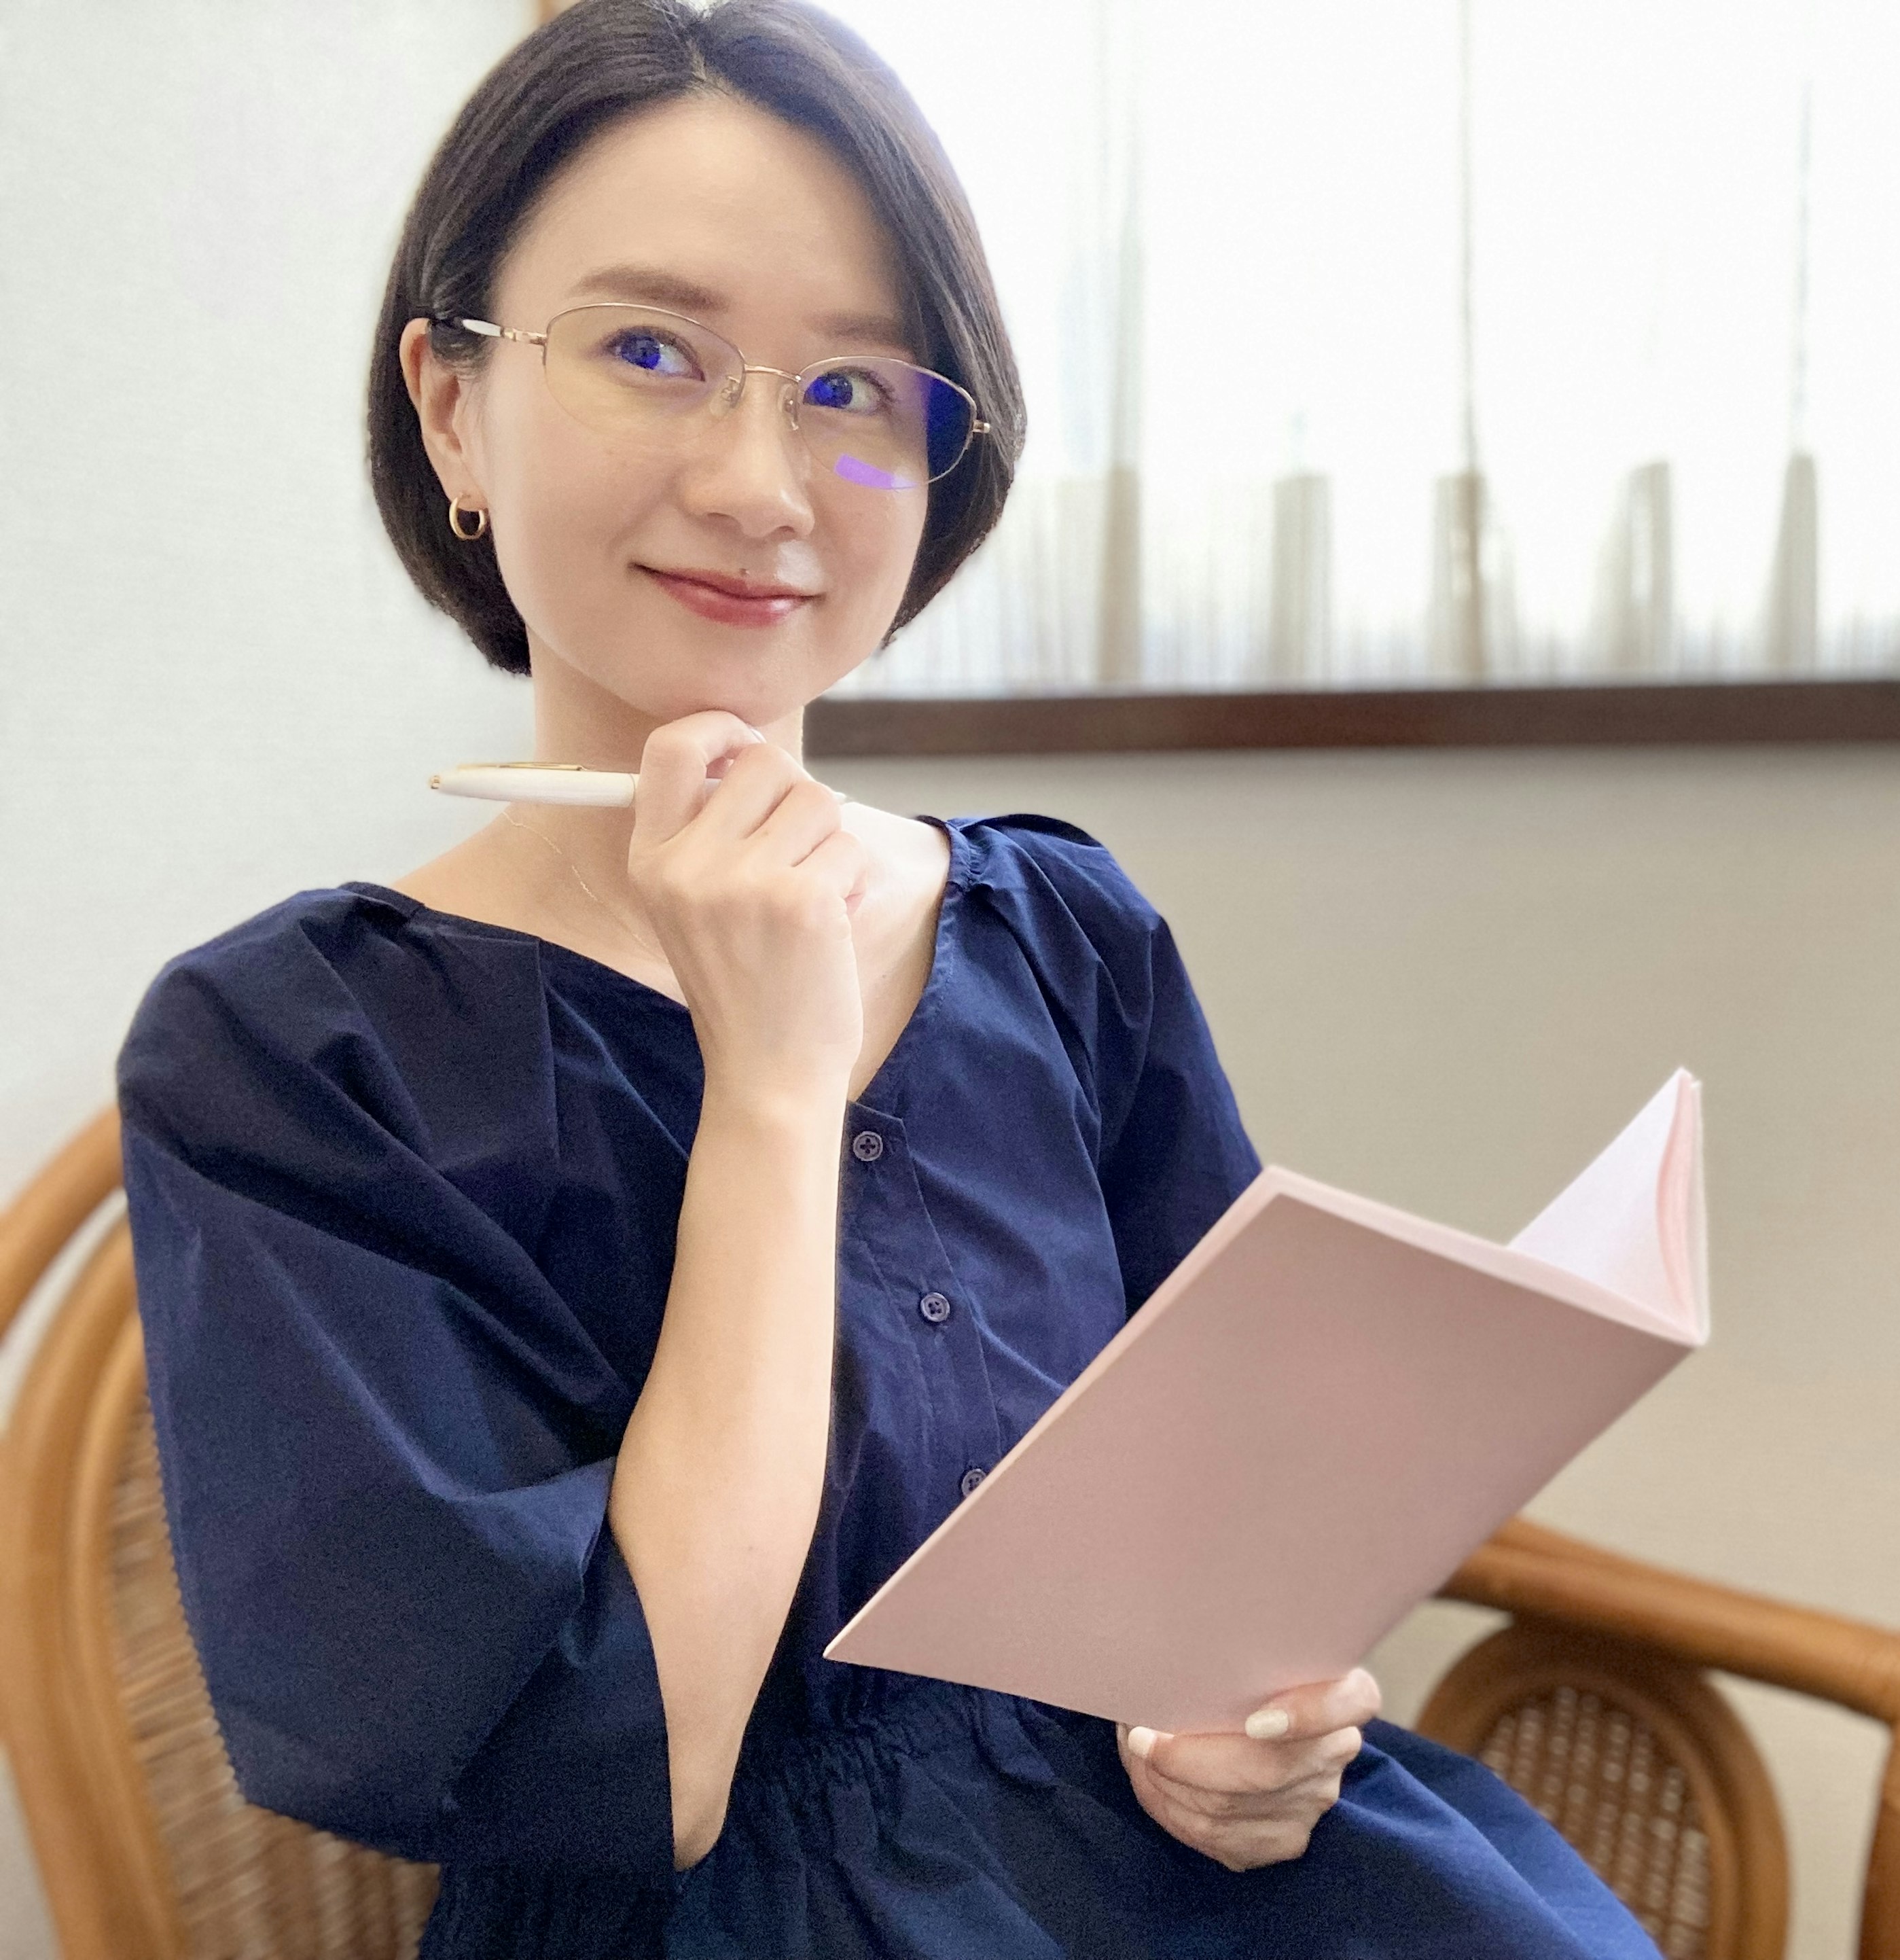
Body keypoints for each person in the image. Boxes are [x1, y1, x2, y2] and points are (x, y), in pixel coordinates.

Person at [114, 3, 1665, 1955]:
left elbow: (1236, 1530)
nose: (766, 484)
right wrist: (769, 1083)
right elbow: (640, 1762)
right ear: (447, 406)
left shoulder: (1061, 934)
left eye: (856, 388)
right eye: (654, 351)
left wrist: (1266, 1736)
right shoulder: (299, 1056)